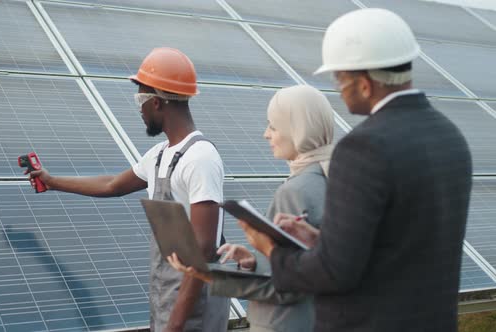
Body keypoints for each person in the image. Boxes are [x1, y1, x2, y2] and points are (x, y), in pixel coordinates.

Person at [235, 8, 472, 332]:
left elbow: (335, 272)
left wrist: (272, 251)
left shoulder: (363, 148)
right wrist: (318, 239)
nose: (337, 86)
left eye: (340, 77)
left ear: (364, 84)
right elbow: (396, 246)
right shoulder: (450, 136)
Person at [27, 47, 230, 332]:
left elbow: (204, 249)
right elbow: (112, 185)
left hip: (193, 310)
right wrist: (51, 181)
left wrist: (175, 323)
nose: (138, 109)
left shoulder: (200, 158)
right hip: (169, 299)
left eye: (140, 99)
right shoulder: (160, 155)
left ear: (157, 102)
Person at [169, 85, 336, 332]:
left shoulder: (295, 191)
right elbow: (308, 267)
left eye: (274, 126)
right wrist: (253, 260)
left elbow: (287, 287)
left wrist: (208, 274)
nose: (266, 134)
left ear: (298, 130)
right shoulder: (334, 179)